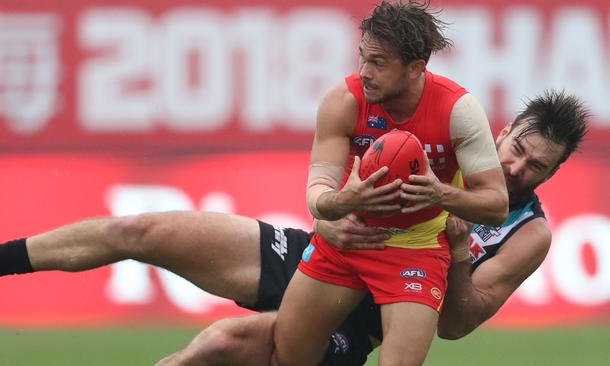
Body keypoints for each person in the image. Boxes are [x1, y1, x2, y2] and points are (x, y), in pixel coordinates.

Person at [158, 89, 589, 366]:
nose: (516, 168)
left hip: (362, 319)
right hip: (323, 260)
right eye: (517, 149)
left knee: (219, 344)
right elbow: (347, 182)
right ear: (501, 131)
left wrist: (459, 252)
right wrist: (325, 222)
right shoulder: (446, 148)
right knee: (146, 234)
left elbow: (455, 325)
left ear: (550, 176)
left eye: (536, 166)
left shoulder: (529, 234)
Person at [270, 1, 508, 365]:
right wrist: (342, 203)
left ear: (416, 68)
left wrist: (439, 193)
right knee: (289, 358)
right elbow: (317, 194)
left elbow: (496, 205)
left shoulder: (458, 110)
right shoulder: (343, 100)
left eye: (378, 62)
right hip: (347, 240)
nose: (364, 71)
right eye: (362, 57)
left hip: (417, 249)